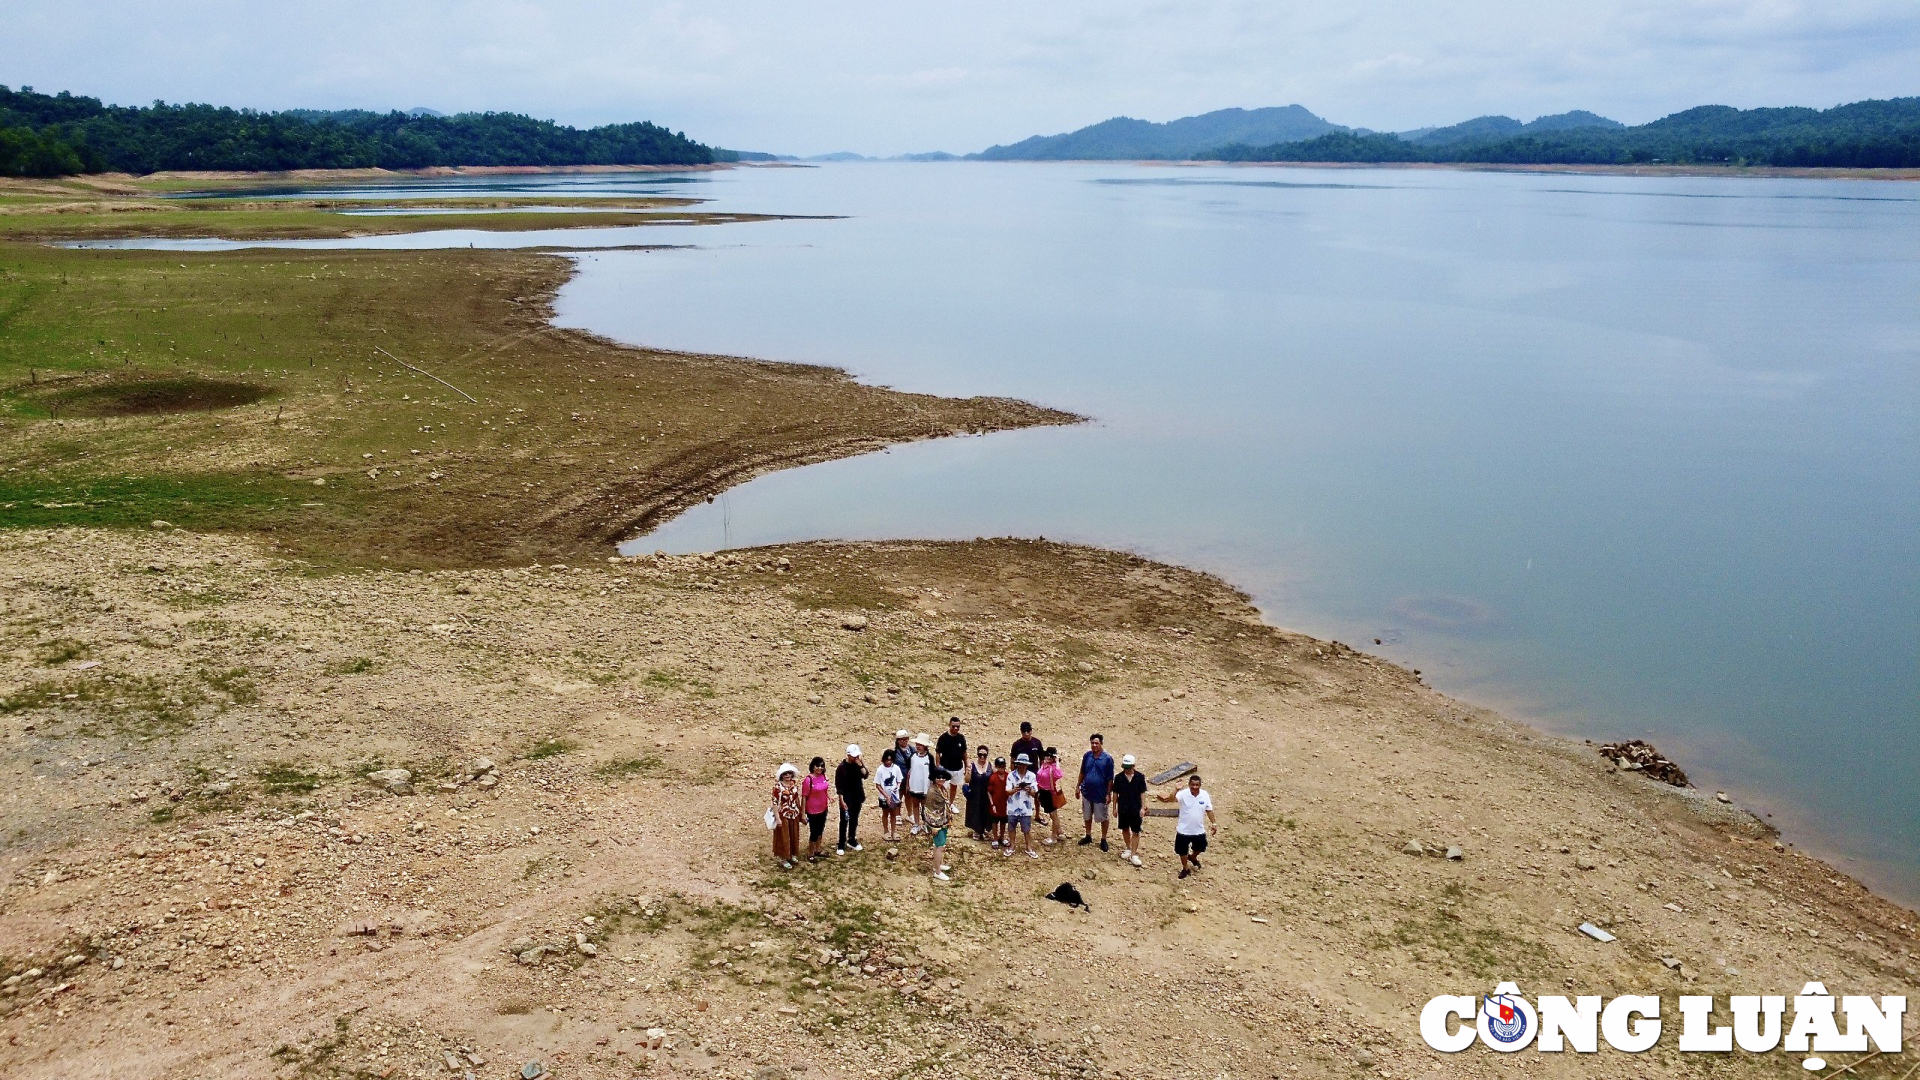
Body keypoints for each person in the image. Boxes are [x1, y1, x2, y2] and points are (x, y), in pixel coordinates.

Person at [1155, 773, 1216, 879]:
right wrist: (1176, 789)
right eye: (1193, 785)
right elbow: (1170, 799)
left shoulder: (1205, 795)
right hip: (1184, 830)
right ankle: (1185, 868)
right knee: (1182, 851)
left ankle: (1192, 857)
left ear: (1200, 785)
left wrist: (1214, 823)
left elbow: (1209, 810)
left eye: (1197, 785)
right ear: (1189, 784)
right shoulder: (1183, 794)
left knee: (1201, 847)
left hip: (1198, 830)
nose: (1195, 787)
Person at [1076, 733, 1117, 851]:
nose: (1094, 745)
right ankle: (1088, 835)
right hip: (1087, 792)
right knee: (1087, 815)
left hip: (1100, 794)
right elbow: (1082, 772)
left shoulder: (1108, 759)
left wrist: (1108, 794)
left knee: (1103, 817)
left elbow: (1110, 778)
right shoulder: (1087, 756)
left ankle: (1103, 839)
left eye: (1096, 743)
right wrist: (1078, 786)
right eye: (1092, 743)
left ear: (1101, 744)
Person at [1109, 754, 1148, 867]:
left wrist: (1142, 807)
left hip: (1135, 808)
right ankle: (1128, 848)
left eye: (1128, 767)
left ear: (1133, 766)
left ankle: (1134, 854)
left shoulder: (1140, 777)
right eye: (1125, 767)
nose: (1126, 769)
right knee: (1125, 828)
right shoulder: (1119, 777)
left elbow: (1142, 793)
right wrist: (1114, 808)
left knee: (1136, 831)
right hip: (1124, 808)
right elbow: (1115, 793)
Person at [924, 766, 957, 881]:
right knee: (940, 846)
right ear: (934, 778)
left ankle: (937, 865)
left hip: (943, 820)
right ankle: (937, 872)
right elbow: (928, 810)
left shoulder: (941, 789)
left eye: (943, 778)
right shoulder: (932, 792)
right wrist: (932, 826)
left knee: (937, 845)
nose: (941, 779)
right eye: (939, 777)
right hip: (936, 823)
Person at [834, 744, 868, 855]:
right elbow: (839, 786)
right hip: (847, 798)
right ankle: (841, 843)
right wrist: (841, 800)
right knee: (844, 820)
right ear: (848, 755)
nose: (856, 758)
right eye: (854, 756)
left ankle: (852, 839)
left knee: (854, 819)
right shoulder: (841, 768)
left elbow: (865, 775)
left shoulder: (858, 765)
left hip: (857, 796)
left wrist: (861, 765)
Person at [1006, 754, 1041, 859]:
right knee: (1011, 828)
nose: (1022, 766)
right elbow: (1007, 791)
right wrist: (1014, 790)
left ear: (1027, 765)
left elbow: (1035, 793)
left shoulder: (1032, 776)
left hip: (1026, 808)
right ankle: (1012, 846)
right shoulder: (1011, 776)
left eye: (1024, 764)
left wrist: (1029, 790)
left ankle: (1028, 847)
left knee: (1026, 829)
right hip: (1013, 806)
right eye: (1020, 764)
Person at [770, 763, 804, 869]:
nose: (788, 775)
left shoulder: (793, 784)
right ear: (782, 775)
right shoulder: (778, 787)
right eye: (785, 774)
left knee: (793, 834)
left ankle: (791, 855)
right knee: (783, 836)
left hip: (793, 813)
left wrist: (801, 812)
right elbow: (775, 802)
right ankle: (783, 858)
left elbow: (796, 798)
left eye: (789, 773)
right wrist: (778, 818)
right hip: (783, 814)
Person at [803, 757, 833, 862]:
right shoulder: (808, 779)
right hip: (812, 810)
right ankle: (810, 852)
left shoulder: (823, 776)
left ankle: (817, 849)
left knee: (820, 830)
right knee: (814, 832)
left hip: (823, 807)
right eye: (817, 766)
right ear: (813, 766)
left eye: (821, 766)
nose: (819, 768)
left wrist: (829, 797)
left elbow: (824, 789)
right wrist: (802, 813)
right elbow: (804, 796)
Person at [964, 745, 994, 841]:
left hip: (986, 794)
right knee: (975, 811)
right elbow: (967, 780)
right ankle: (976, 830)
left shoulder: (990, 765)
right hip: (975, 793)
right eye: (980, 755)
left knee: (986, 811)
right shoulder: (972, 765)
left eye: (984, 755)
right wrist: (968, 772)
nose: (982, 757)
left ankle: (986, 830)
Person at [905, 734, 934, 834]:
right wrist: (908, 784)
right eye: (917, 744)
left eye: (920, 745)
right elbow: (909, 771)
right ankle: (916, 824)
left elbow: (932, 773)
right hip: (915, 785)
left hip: (925, 786)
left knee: (925, 806)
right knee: (915, 805)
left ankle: (926, 823)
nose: (918, 746)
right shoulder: (913, 757)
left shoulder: (929, 758)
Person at [875, 749, 905, 843]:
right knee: (885, 813)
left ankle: (893, 831)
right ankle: (886, 831)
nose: (889, 762)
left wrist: (897, 787)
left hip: (894, 796)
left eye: (890, 760)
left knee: (893, 813)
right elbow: (878, 785)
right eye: (887, 760)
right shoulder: (880, 769)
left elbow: (899, 780)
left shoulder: (896, 768)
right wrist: (886, 796)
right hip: (884, 796)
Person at [1037, 748, 1066, 846]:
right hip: (1043, 792)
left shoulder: (1053, 767)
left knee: (1053, 815)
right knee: (1052, 814)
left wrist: (1057, 762)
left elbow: (1059, 775)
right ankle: (1059, 831)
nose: (1048, 757)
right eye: (1046, 755)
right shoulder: (1044, 765)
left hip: (1050, 793)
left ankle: (1053, 837)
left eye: (1050, 755)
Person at [987, 756, 1010, 850]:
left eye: (1003, 766)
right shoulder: (993, 778)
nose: (1001, 769)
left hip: (1005, 804)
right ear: (996, 767)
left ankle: (1002, 836)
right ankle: (995, 838)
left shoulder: (1008, 776)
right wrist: (992, 804)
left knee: (1004, 822)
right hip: (996, 804)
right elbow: (989, 792)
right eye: (999, 767)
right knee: (995, 822)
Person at [1010, 722, 1044, 786]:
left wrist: (1041, 773)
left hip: (1034, 774)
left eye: (1028, 731)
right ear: (1021, 731)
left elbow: (1041, 759)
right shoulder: (1016, 745)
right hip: (1020, 775)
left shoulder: (1037, 743)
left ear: (1031, 730)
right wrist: (1013, 775)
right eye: (1024, 731)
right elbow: (1012, 760)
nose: (1026, 733)